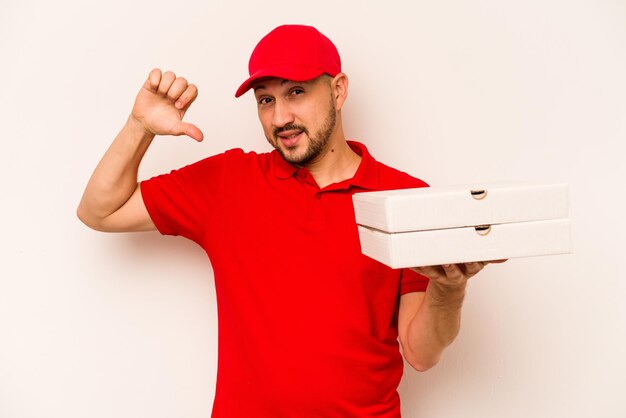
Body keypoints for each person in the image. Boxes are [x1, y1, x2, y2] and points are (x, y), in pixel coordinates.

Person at [77, 24, 500, 418]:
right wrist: (139, 127)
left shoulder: (405, 197)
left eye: (296, 92)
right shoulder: (228, 183)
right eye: (266, 99)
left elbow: (421, 353)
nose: (280, 118)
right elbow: (99, 210)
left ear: (338, 90)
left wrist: (449, 286)